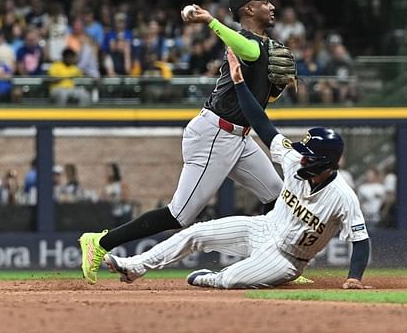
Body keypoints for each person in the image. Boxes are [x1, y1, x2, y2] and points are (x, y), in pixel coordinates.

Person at [78, 0, 298, 285]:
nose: (272, 6)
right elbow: (246, 49)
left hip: (240, 137)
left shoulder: (265, 47)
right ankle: (99, 243)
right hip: (215, 135)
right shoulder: (246, 43)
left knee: (278, 197)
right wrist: (209, 20)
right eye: (265, 2)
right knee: (179, 215)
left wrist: (274, 89)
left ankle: (271, 265)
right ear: (249, 8)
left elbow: (262, 96)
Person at [102, 47, 372, 289]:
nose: (301, 159)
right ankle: (135, 266)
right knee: (195, 232)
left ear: (325, 163)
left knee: (232, 278)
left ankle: (214, 278)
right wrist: (240, 83)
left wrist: (354, 278)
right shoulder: (293, 160)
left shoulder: (342, 196)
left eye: (308, 157)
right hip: (261, 228)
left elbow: (360, 241)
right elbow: (261, 122)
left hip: (287, 258)